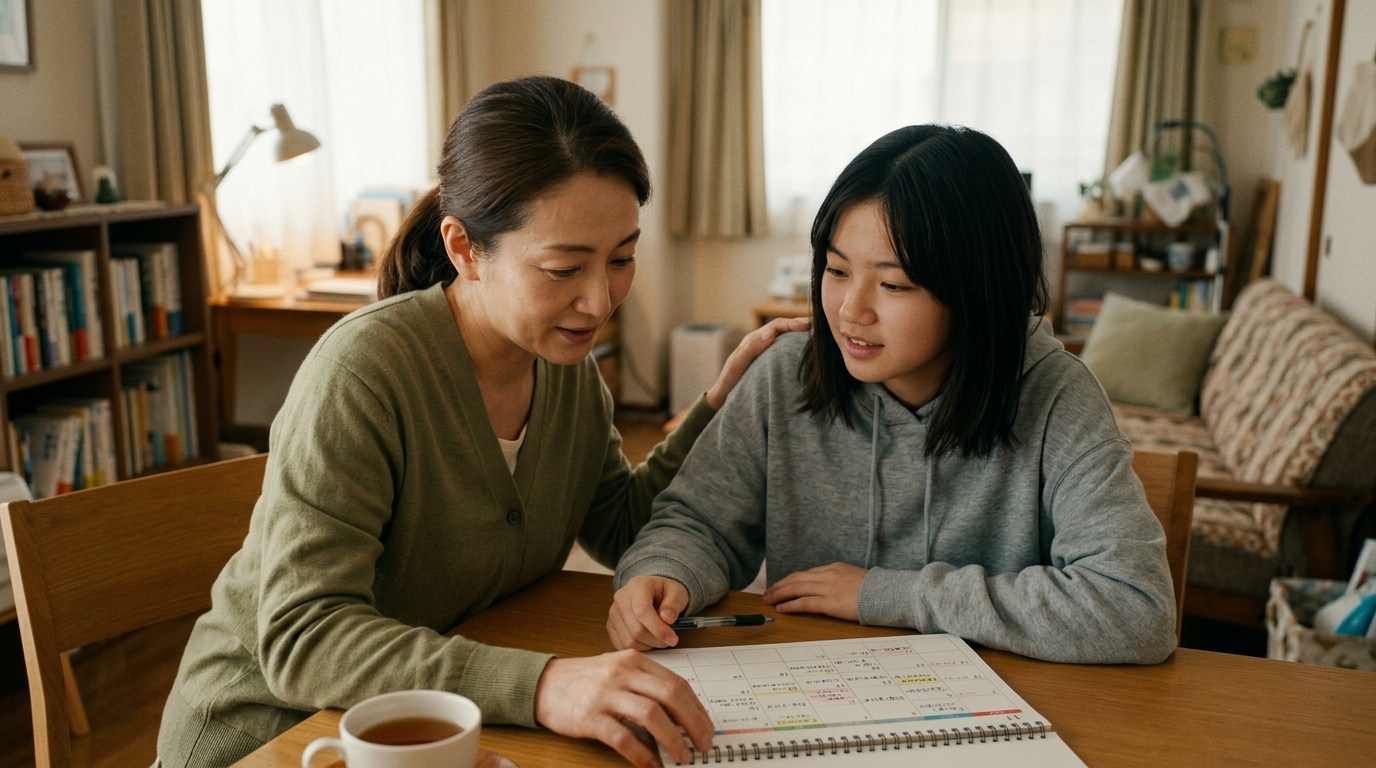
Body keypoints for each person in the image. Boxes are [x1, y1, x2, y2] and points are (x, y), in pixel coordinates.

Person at [157, 76, 806, 768]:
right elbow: (304, 637)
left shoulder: (568, 371)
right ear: (464, 249)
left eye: (621, 258)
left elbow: (619, 526)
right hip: (272, 736)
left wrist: (717, 403)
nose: (599, 300)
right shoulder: (364, 373)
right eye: (563, 269)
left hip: (430, 729)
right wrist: (543, 684)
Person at [608, 125, 1177, 666]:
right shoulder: (785, 374)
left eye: (893, 284)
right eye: (835, 270)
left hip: (988, 709)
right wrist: (664, 572)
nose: (851, 310)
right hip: (814, 693)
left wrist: (885, 595)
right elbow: (697, 523)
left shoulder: (1056, 394)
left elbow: (1135, 606)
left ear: (977, 291)